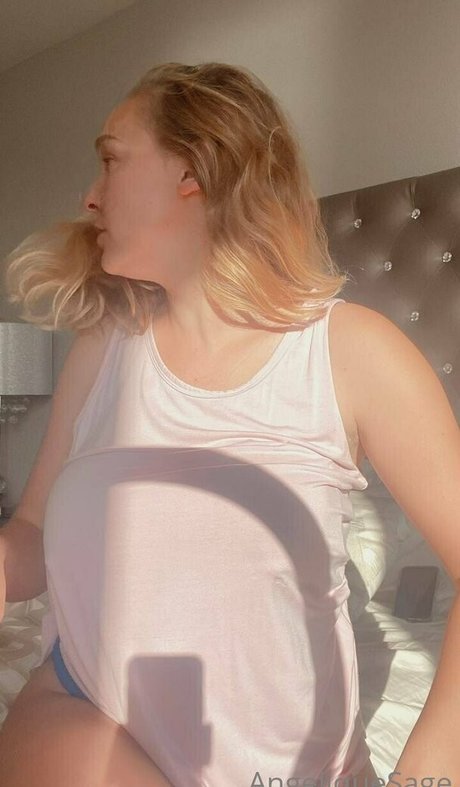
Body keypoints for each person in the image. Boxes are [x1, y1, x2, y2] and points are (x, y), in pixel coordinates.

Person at [1, 62, 459, 787]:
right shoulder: (101, 350)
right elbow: (29, 531)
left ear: (195, 167)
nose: (89, 195)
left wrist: (425, 775)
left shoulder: (349, 351)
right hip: (77, 714)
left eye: (111, 160)